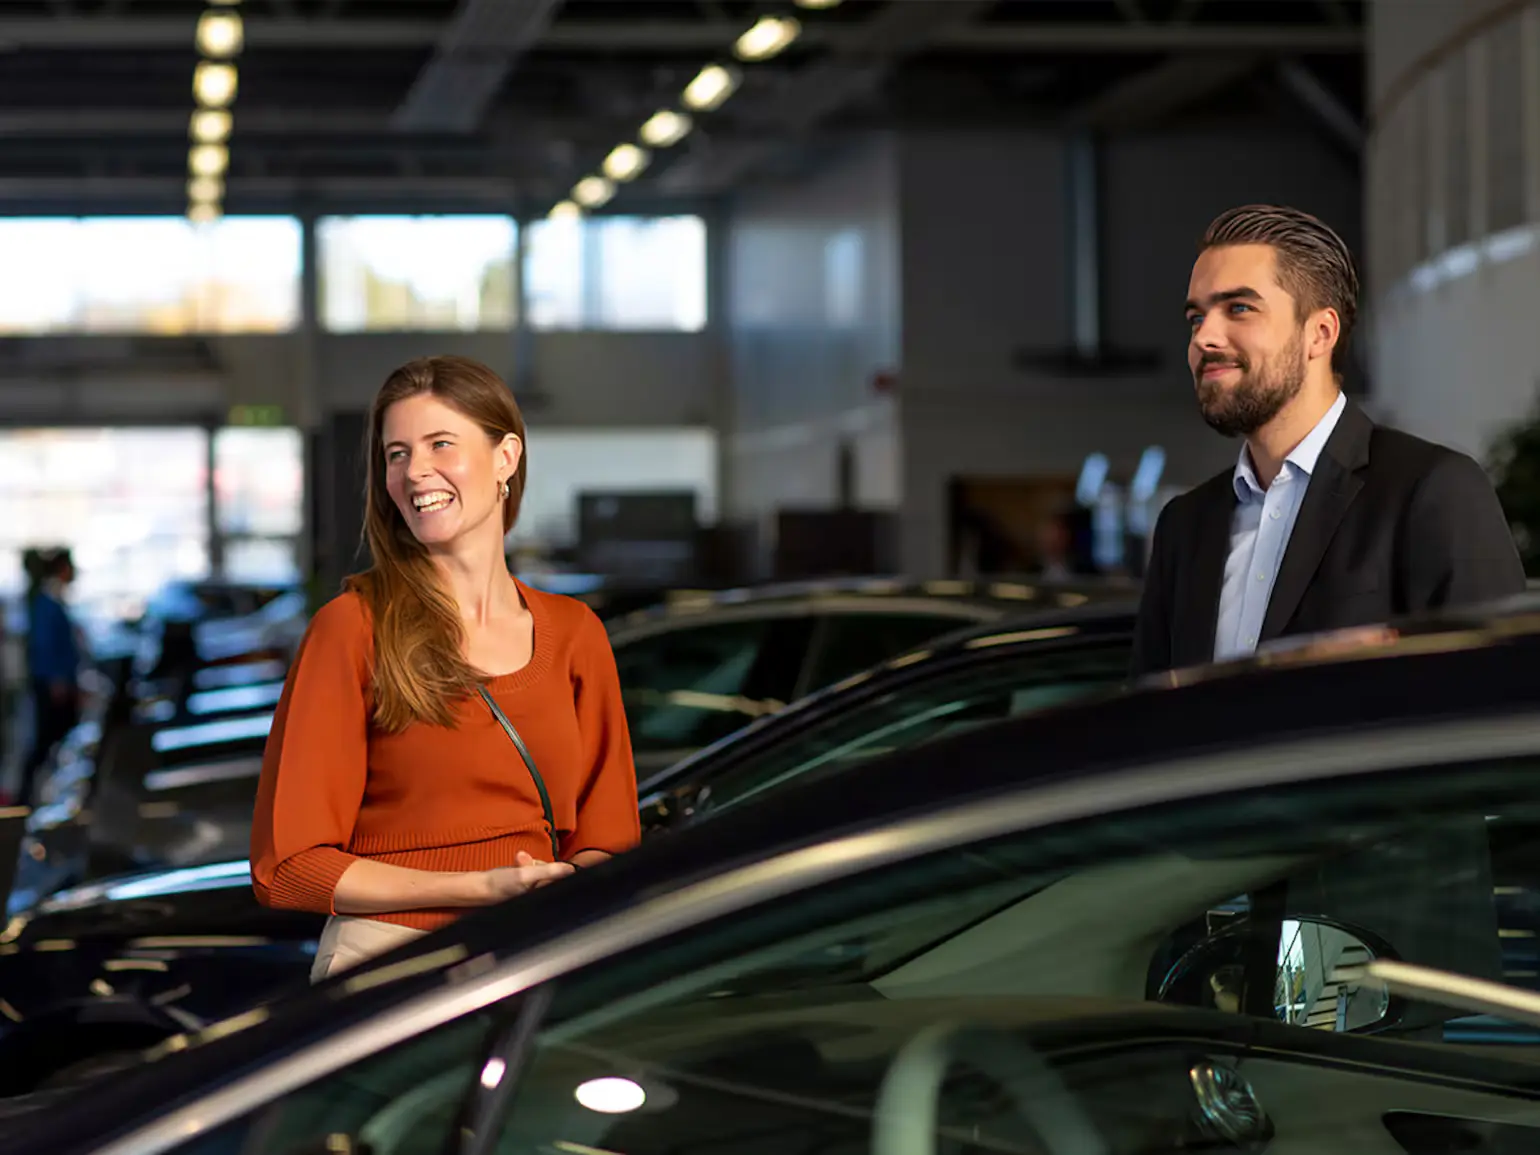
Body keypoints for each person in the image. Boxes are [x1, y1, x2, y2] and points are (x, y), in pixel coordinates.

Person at [251, 356, 641, 981]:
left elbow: (609, 838)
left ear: (505, 457)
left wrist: (558, 891)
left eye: (440, 444)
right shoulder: (352, 629)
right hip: (390, 964)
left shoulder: (575, 634)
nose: (414, 471)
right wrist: (479, 889)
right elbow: (290, 867)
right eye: (397, 454)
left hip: (537, 959)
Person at [1133, 204, 1525, 677]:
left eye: (1239, 308)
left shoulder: (1433, 490)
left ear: (1320, 333)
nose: (1204, 338)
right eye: (1196, 318)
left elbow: (1499, 691)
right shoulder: (1184, 526)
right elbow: (1148, 709)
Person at [21, 547, 83, 807]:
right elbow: (45, 645)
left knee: (53, 739)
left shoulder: (52, 599)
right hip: (52, 685)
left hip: (58, 683)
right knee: (46, 740)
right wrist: (57, 680)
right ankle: (26, 797)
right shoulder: (47, 601)